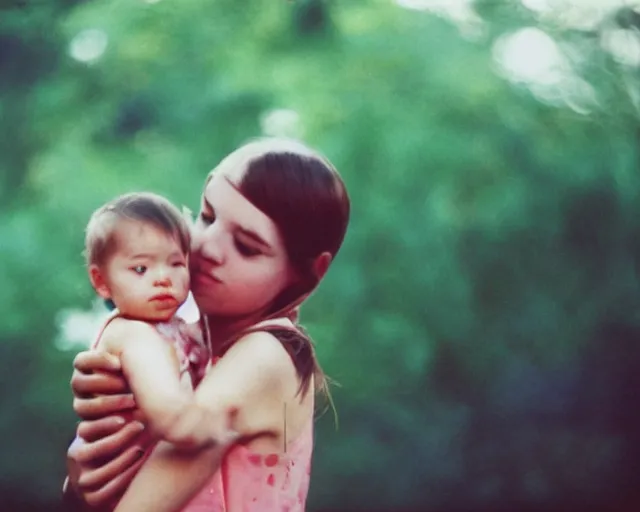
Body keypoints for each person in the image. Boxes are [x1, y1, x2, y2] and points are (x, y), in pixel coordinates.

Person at [64, 138, 351, 511]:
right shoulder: (185, 340)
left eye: (247, 246)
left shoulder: (268, 354)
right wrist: (82, 473)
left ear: (307, 275)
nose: (207, 247)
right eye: (207, 216)